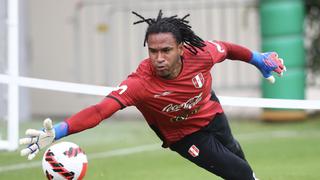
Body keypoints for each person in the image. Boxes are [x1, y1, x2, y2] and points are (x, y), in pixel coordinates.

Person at [20, 10, 285, 180]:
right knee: (240, 173)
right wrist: (59, 130)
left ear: (181, 48)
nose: (158, 58)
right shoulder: (140, 84)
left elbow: (227, 49)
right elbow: (100, 111)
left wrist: (257, 59)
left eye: (166, 50)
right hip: (183, 135)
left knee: (239, 160)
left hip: (212, 113)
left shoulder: (201, 53)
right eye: (153, 51)